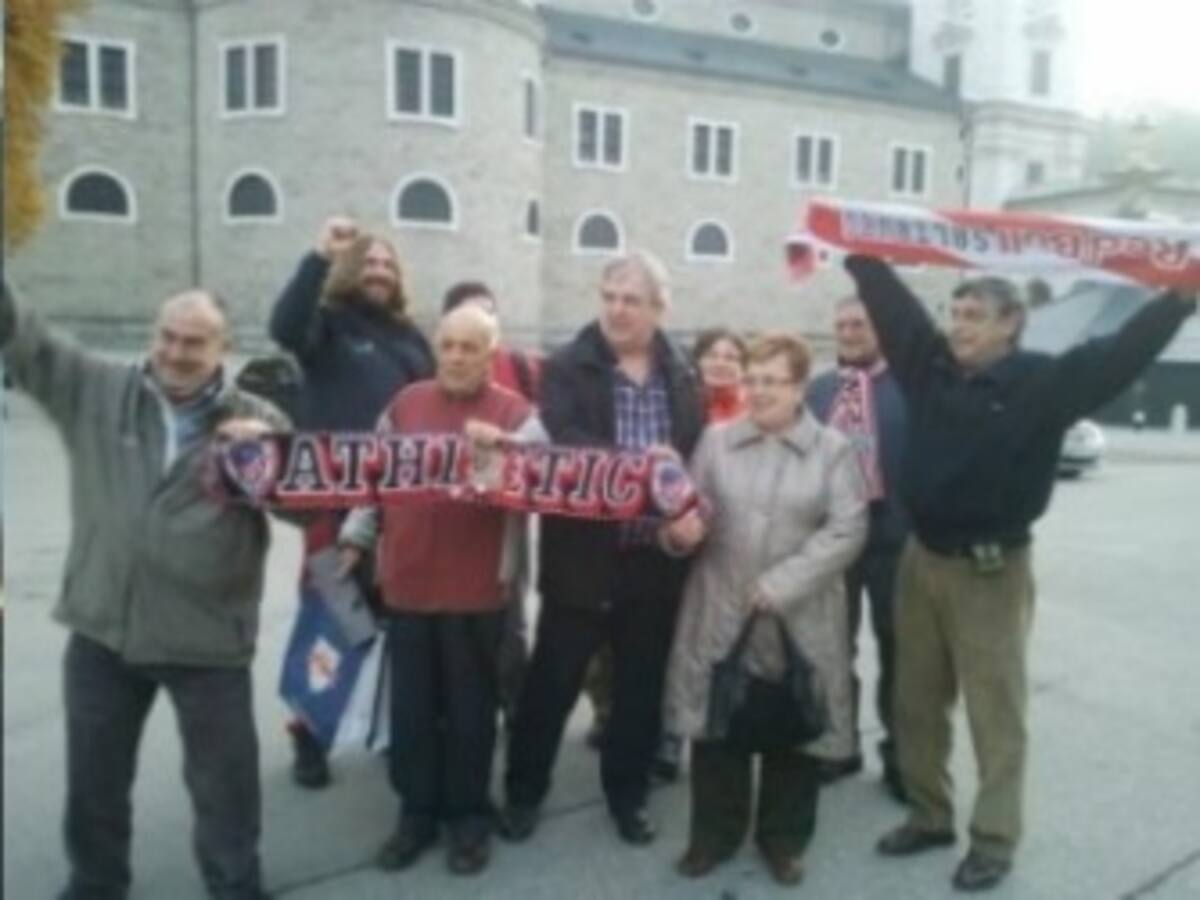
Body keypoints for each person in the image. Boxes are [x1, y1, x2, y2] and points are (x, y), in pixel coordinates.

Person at [843, 255, 1197, 892]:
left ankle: (994, 840)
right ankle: (929, 816)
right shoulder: (929, 369)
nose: (959, 325)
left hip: (990, 573)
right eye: (955, 313)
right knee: (915, 704)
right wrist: (863, 260)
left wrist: (1177, 300)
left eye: (975, 315)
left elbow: (1121, 354)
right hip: (921, 562)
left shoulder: (1044, 382)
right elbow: (898, 313)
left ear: (1011, 324)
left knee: (995, 715)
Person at [1, 282, 286, 900]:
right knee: (94, 782)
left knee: (225, 789)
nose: (176, 353)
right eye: (168, 336)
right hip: (105, 629)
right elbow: (28, 342)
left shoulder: (257, 420)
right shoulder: (99, 390)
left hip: (208, 641)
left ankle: (235, 886)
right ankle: (96, 883)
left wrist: (261, 458)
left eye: (195, 342)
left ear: (222, 348)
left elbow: (311, 506)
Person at [498, 250, 705, 846]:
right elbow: (565, 440)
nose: (616, 309)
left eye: (631, 300)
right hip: (581, 558)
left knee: (640, 689)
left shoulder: (683, 371)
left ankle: (628, 796)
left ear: (659, 308)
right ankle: (523, 793)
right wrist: (642, 468)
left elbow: (692, 452)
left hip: (653, 559)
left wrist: (683, 506)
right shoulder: (569, 365)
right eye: (609, 296)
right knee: (552, 684)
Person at [661, 333, 867, 886]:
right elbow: (688, 510)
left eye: (772, 381)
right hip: (720, 604)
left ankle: (783, 841)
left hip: (800, 613)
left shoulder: (833, 450)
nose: (758, 391)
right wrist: (679, 534)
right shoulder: (716, 441)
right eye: (751, 379)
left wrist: (783, 583)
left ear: (800, 388)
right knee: (718, 725)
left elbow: (849, 528)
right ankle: (713, 837)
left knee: (794, 726)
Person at [338, 304, 535, 876]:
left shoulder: (517, 413)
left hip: (478, 593)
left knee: (472, 715)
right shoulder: (405, 404)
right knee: (413, 713)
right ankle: (416, 814)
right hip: (407, 589)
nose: (455, 357)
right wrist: (355, 536)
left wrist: (498, 454)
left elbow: (536, 484)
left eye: (469, 347)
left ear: (490, 354)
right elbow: (371, 478)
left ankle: (469, 818)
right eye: (447, 345)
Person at [267, 216, 434, 788]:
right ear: (350, 270)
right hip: (334, 510)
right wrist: (319, 255)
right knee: (334, 620)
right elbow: (284, 327)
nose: (379, 272)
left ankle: (390, 729)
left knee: (397, 623)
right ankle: (309, 734)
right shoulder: (326, 327)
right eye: (369, 263)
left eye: (388, 265)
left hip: (401, 509)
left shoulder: (412, 339)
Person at [807, 296, 909, 799]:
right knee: (832, 649)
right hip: (833, 541)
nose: (848, 332)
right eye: (841, 324)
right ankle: (839, 746)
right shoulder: (821, 390)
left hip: (895, 542)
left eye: (859, 324)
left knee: (901, 653)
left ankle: (902, 757)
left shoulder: (910, 385)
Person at [440, 280, 539, 725]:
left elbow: (540, 446)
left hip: (503, 531)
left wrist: (498, 450)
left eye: (489, 312)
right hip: (448, 532)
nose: (460, 355)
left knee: (509, 623)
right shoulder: (426, 390)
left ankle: (514, 704)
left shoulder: (518, 377)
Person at [693, 326, 749, 422]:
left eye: (730, 358)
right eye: (711, 356)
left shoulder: (755, 409)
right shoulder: (680, 405)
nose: (720, 364)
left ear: (743, 368)